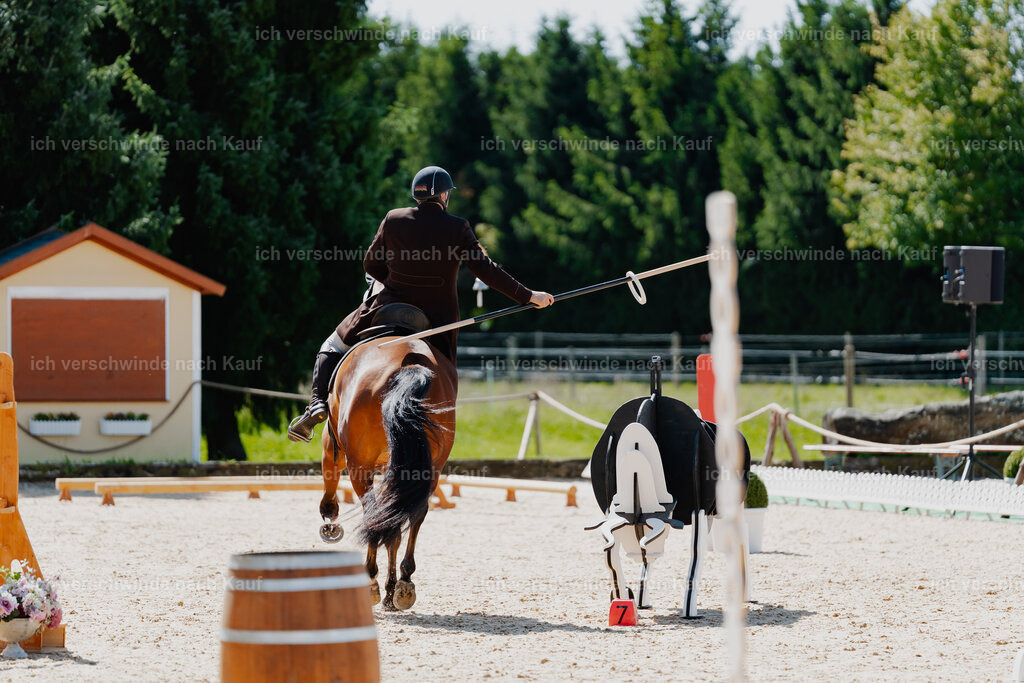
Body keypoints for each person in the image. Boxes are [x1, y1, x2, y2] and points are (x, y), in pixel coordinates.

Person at [288, 165, 554, 442]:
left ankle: (316, 404)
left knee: (332, 345)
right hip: (438, 320)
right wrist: (528, 296)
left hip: (388, 308)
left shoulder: (394, 219)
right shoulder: (458, 227)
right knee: (445, 371)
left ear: (417, 196)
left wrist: (391, 283)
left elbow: (370, 263)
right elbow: (486, 270)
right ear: (444, 196)